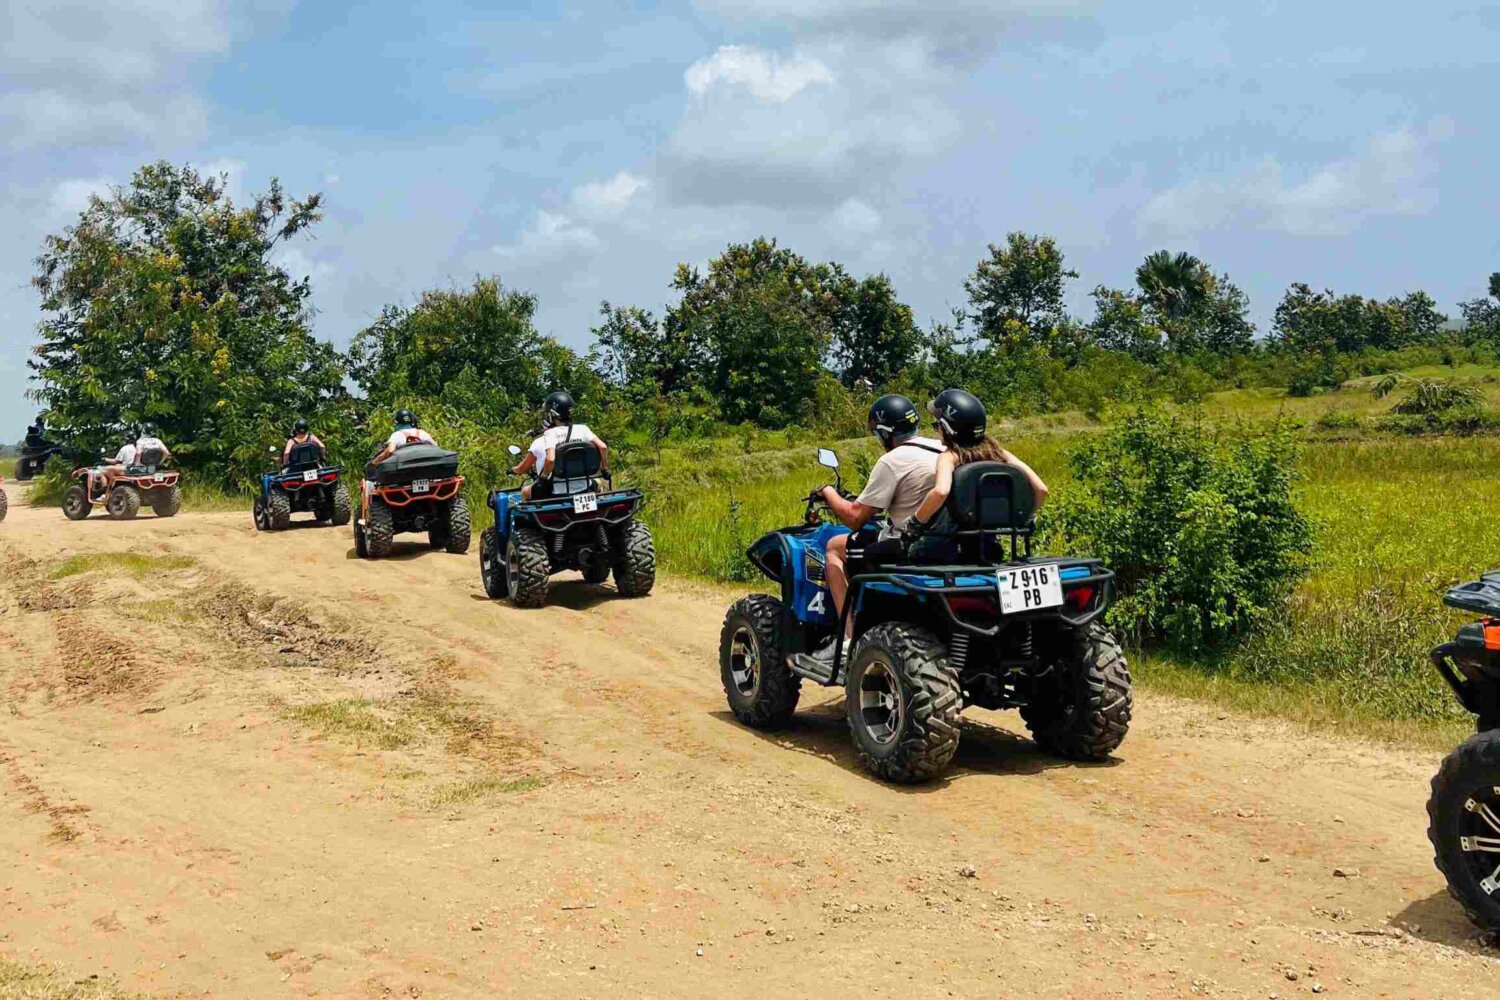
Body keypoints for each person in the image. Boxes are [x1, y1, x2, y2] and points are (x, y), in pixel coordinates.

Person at [796, 394, 943, 673]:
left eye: (878, 433)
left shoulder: (893, 460)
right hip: (944, 540)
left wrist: (827, 492)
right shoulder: (941, 448)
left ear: (886, 433)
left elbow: (854, 518)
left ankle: (847, 639)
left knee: (835, 547)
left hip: (908, 543)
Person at [904, 389, 1050, 563]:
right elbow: (1041, 489)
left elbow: (940, 492)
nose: (937, 430)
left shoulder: (950, 457)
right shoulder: (999, 454)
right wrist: (1026, 519)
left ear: (947, 428)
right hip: (987, 546)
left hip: (942, 545)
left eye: (937, 426)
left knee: (896, 553)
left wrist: (914, 523)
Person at [513, 391, 609, 500]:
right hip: (584, 488)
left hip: (557, 492)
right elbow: (603, 447)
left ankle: (527, 517)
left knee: (525, 491)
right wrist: (605, 469)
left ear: (552, 414)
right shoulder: (583, 429)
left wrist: (543, 479)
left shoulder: (551, 433)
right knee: (598, 482)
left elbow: (550, 459)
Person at [369, 409, 435, 467]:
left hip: (405, 469)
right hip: (425, 466)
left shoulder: (397, 435)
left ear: (396, 422)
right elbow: (435, 446)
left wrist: (375, 462)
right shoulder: (423, 433)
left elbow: (390, 450)